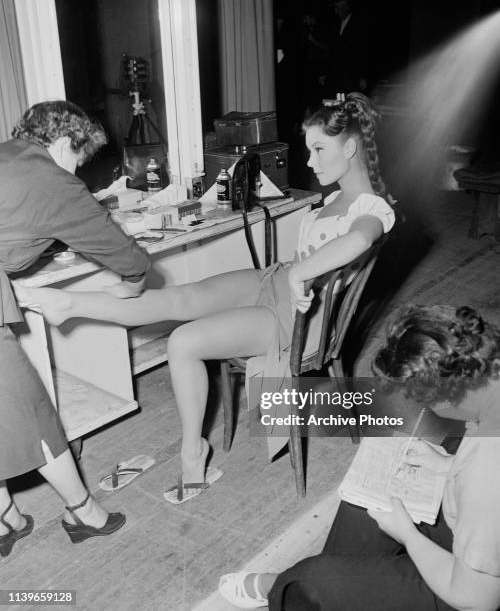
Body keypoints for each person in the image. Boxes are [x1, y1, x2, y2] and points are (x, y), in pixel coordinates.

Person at [15, 93, 395, 504]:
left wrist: (303, 272)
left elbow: (359, 238)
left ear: (351, 147)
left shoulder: (373, 208)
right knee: (180, 299)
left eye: (319, 149)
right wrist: (295, 272)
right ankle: (69, 304)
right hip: (275, 281)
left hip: (301, 319)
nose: (309, 162)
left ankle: (192, 454)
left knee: (183, 341)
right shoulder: (333, 196)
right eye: (309, 150)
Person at [217, 304, 500, 610]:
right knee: (367, 502)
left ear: (448, 394)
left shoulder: (486, 470)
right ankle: (330, 585)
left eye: (423, 400)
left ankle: (299, 585)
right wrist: (447, 467)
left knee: (313, 581)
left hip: (465, 592)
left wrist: (407, 535)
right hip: (475, 524)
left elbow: (477, 599)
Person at [0, 100, 151, 555]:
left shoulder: (7, 155)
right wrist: (133, 282)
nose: (78, 176)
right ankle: (82, 511)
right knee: (30, 414)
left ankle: (5, 518)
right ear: (64, 143)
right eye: (79, 163)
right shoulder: (52, 180)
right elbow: (126, 255)